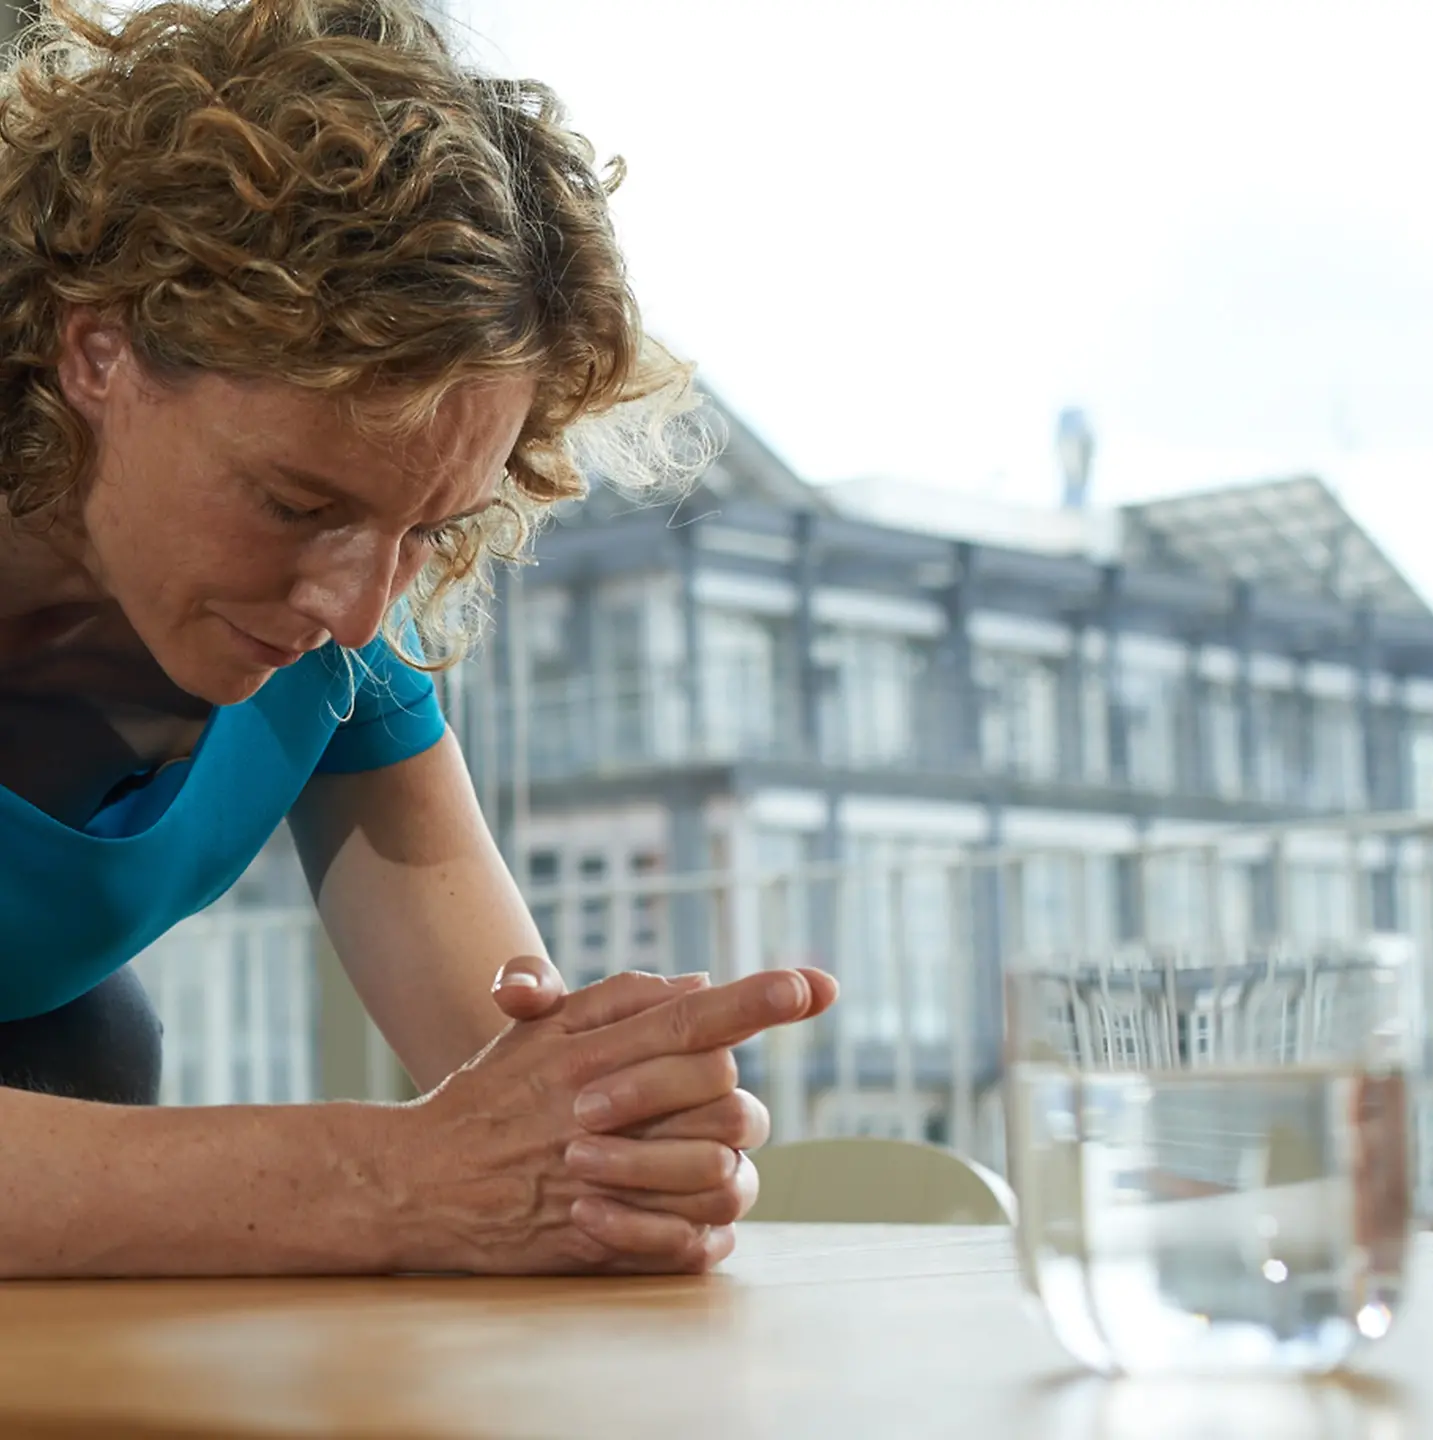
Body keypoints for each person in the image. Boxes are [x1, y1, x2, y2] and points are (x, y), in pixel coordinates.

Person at [0, 0, 837, 1278]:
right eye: (297, 505)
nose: (356, 610)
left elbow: (514, 1095)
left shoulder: (327, 660)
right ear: (98, 352)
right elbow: (443, 1172)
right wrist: (398, 1178)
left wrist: (624, 1129)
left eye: (428, 531)